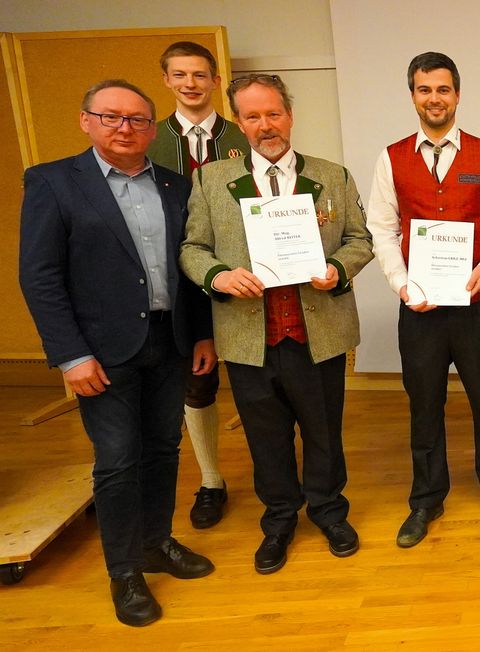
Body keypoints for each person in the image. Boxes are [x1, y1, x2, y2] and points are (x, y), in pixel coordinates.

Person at [19, 79, 216, 626]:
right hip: (100, 354)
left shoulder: (176, 186)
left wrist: (201, 333)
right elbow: (39, 277)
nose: (125, 128)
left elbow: (188, 265)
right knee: (117, 461)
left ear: (154, 129)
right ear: (86, 121)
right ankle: (124, 572)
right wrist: (69, 355)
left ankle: (157, 543)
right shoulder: (54, 182)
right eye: (111, 117)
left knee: (164, 447)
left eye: (137, 120)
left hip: (169, 341)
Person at [179, 74, 373, 574]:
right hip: (248, 337)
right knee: (266, 437)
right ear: (238, 123)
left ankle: (329, 511)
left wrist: (338, 269)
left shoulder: (332, 176)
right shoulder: (212, 181)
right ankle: (280, 520)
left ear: (289, 114)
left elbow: (359, 239)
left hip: (317, 331)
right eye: (252, 116)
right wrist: (219, 276)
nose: (266, 126)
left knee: (324, 431)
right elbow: (192, 250)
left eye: (273, 113)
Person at [366, 52, 480, 547]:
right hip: (421, 308)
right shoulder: (391, 157)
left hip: (478, 304)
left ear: (457, 95)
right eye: (424, 89)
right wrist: (401, 283)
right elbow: (382, 228)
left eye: (443, 89)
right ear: (413, 95)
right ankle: (426, 499)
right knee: (424, 405)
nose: (434, 98)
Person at [147, 40, 250, 529]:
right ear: (166, 80)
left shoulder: (244, 133)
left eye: (200, 75)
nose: (190, 83)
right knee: (197, 379)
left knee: (258, 376)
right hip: (174, 274)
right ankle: (211, 481)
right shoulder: (147, 139)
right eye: (180, 75)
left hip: (244, 275)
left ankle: (279, 477)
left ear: (215, 81)